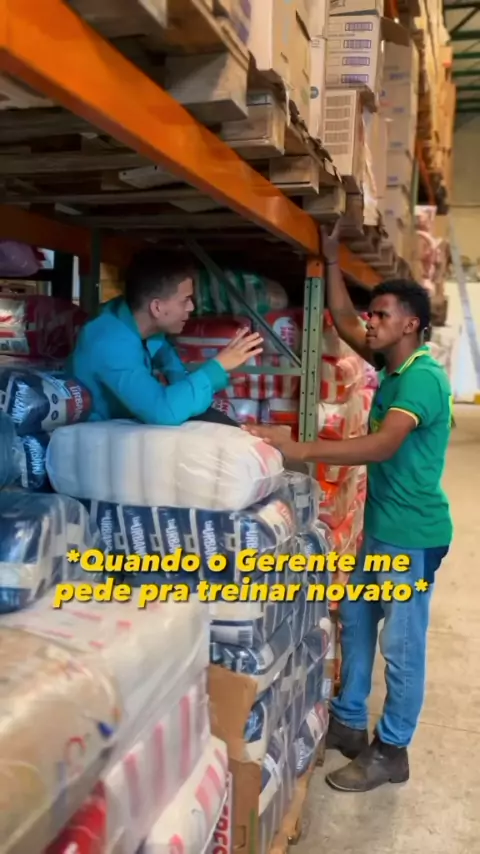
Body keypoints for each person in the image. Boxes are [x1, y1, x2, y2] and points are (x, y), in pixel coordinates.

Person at [242, 222, 453, 793]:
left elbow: (381, 446)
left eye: (382, 315)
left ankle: (393, 749)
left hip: (413, 535)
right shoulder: (392, 367)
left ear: (410, 325)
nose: (372, 322)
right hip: (382, 528)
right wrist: (332, 259)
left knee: (401, 646)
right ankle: (350, 722)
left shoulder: (422, 380)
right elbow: (340, 317)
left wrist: (299, 448)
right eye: (373, 314)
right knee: (357, 620)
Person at [69, 250, 263, 426]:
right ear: (157, 307)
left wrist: (200, 382)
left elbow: (169, 360)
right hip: (94, 436)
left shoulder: (135, 318)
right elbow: (162, 412)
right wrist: (216, 367)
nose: (191, 308)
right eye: (185, 300)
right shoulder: (110, 344)